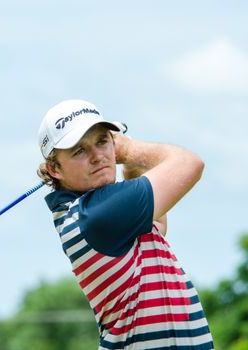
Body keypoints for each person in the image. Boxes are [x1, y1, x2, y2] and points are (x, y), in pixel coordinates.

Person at [37, 99, 214, 349]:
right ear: (54, 168)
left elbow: (157, 225)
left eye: (102, 141)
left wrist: (128, 163)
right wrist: (129, 151)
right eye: (79, 150)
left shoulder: (90, 212)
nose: (98, 157)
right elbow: (190, 163)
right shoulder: (97, 215)